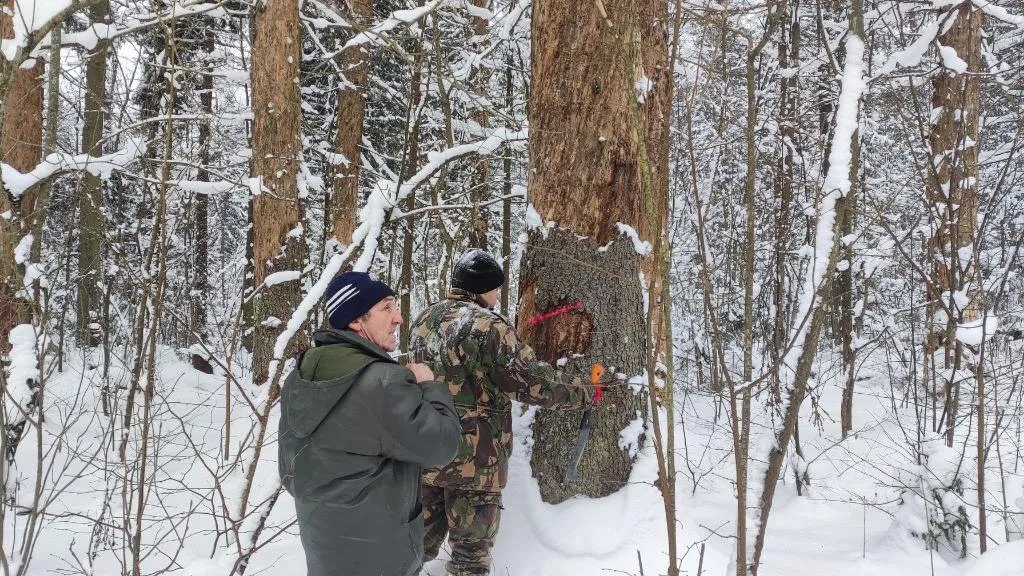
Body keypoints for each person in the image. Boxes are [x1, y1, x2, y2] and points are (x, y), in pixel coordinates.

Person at [410, 249, 594, 576]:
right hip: (475, 464)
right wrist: (583, 392)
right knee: (469, 561)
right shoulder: (489, 327)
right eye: (495, 288)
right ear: (482, 289)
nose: (497, 295)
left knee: (411, 550)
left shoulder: (424, 320)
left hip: (426, 455)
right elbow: (531, 383)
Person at [278, 271, 461, 576]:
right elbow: (442, 446)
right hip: (382, 556)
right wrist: (429, 386)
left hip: (325, 551)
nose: (399, 318)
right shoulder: (383, 383)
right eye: (387, 308)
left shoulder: (298, 377)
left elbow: (290, 473)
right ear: (355, 321)